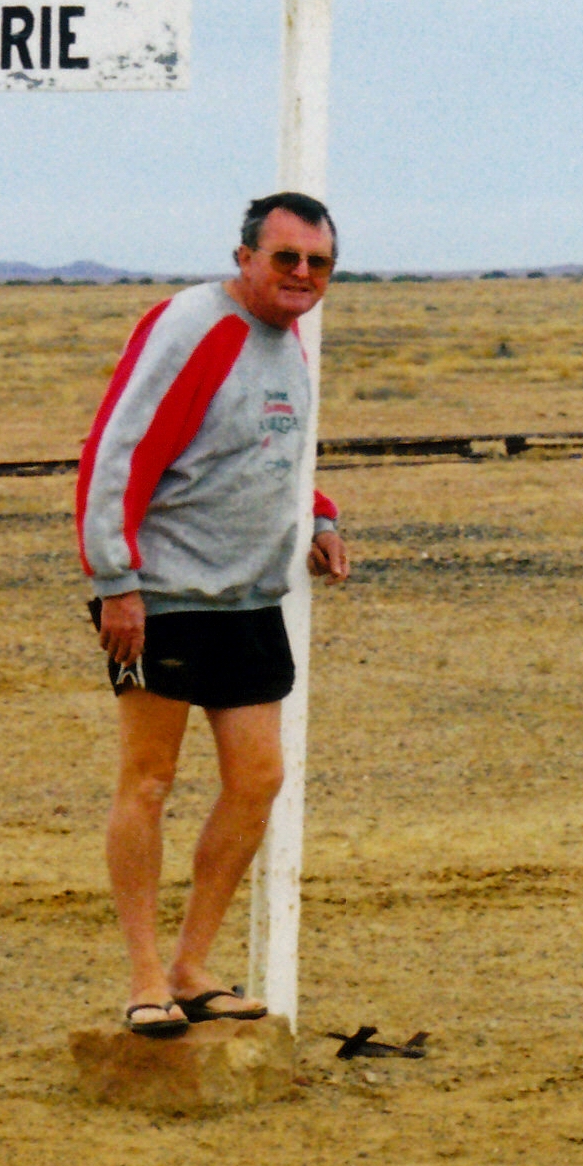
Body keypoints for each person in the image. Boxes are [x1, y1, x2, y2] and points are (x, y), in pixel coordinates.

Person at [74, 193, 352, 1035]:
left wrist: (320, 516)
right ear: (245, 258)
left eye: (319, 263)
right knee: (149, 781)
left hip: (248, 595)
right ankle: (144, 976)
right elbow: (117, 448)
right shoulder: (195, 326)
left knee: (258, 779)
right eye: (286, 259)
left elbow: (261, 453)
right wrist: (115, 579)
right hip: (159, 599)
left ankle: (194, 965)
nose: (302, 275)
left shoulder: (289, 338)